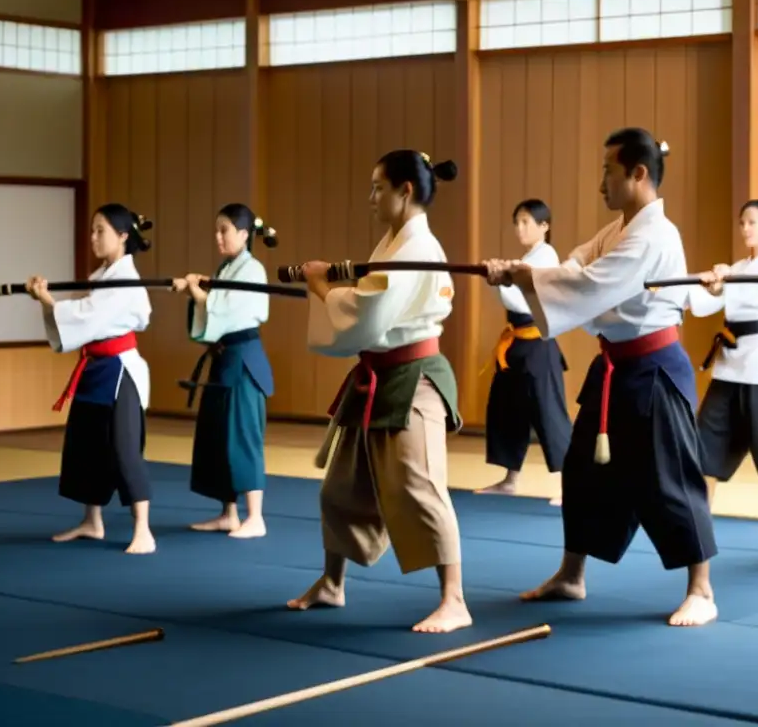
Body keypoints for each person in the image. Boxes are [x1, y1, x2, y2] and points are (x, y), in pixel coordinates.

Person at [485, 127, 719, 627]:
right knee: (583, 472)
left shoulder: (655, 234)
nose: (601, 183)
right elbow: (577, 259)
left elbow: (593, 281)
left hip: (655, 369)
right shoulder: (622, 228)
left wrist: (528, 277)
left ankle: (701, 588)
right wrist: (529, 274)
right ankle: (572, 575)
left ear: (638, 173)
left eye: (608, 171)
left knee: (670, 478)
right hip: (614, 367)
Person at [286, 149, 472, 634]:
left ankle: (454, 599)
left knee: (420, 485)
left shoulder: (416, 248)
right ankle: (332, 582)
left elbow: (367, 313)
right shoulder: (394, 244)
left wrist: (322, 287)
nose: (371, 197)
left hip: (415, 377)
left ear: (404, 190)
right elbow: (369, 299)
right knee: (341, 488)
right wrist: (326, 281)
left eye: (377, 187)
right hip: (379, 376)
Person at [26, 203, 155, 555]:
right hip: (95, 368)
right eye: (93, 229)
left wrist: (48, 299)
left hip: (120, 372)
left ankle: (143, 529)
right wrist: (45, 303)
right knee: (87, 443)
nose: (93, 236)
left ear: (123, 236)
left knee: (125, 448)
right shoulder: (103, 277)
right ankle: (91, 520)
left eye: (101, 230)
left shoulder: (125, 281)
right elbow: (81, 322)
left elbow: (88, 316)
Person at [688, 200, 758, 528]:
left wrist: (728, 280)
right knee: (709, 427)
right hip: (731, 358)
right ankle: (701, 502)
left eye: (752, 222)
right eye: (742, 223)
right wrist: (711, 284)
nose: (746, 229)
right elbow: (707, 307)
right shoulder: (738, 268)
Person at [172, 203, 277, 539]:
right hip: (223, 358)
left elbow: (226, 309)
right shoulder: (227, 268)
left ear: (244, 234)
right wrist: (198, 288)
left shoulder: (253, 270)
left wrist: (196, 290)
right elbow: (212, 304)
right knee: (218, 435)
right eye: (216, 230)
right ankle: (228, 513)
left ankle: (255, 517)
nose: (218, 237)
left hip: (243, 360)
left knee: (243, 435)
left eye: (225, 230)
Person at [475, 199, 571, 506]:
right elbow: (511, 298)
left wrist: (501, 280)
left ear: (545, 226)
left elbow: (526, 303)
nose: (520, 228)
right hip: (515, 345)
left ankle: (572, 484)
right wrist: (499, 278)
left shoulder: (547, 258)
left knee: (549, 413)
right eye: (517, 222)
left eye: (527, 221)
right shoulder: (529, 258)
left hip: (538, 347)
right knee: (507, 408)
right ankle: (510, 480)